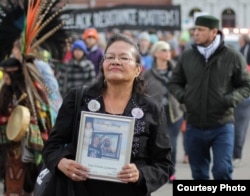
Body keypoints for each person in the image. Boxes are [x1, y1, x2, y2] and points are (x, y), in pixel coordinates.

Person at [42, 33, 173, 196]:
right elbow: (52, 146)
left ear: (138, 69)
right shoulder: (78, 99)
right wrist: (62, 163)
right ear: (103, 65)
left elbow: (164, 164)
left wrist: (140, 174)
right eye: (110, 57)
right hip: (79, 191)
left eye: (124, 58)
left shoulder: (152, 109)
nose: (115, 61)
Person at [167, 15, 250, 180]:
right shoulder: (188, 56)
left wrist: (229, 99)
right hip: (194, 125)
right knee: (198, 174)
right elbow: (174, 82)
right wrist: (185, 97)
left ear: (213, 32)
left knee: (222, 171)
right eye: (194, 30)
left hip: (222, 125)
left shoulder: (232, 56)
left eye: (200, 30)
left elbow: (245, 86)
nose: (195, 33)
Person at [0, 57, 54, 195]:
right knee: (9, 173)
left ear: (15, 74)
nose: (5, 77)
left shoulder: (30, 91)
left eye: (8, 74)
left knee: (27, 175)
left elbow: (41, 116)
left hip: (26, 142)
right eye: (3, 73)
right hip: (7, 142)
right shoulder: (5, 90)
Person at [142, 41, 184, 182]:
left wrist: (185, 110)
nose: (167, 53)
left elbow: (186, 90)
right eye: (163, 50)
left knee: (171, 143)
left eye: (168, 50)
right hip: (155, 114)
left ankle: (171, 172)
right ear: (155, 53)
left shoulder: (177, 72)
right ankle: (156, 172)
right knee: (155, 144)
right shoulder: (147, 74)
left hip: (174, 113)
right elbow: (142, 93)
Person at [233, 34, 250, 167]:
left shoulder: (243, 51)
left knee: (238, 126)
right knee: (239, 126)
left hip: (241, 94)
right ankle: (235, 154)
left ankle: (235, 154)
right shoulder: (240, 51)